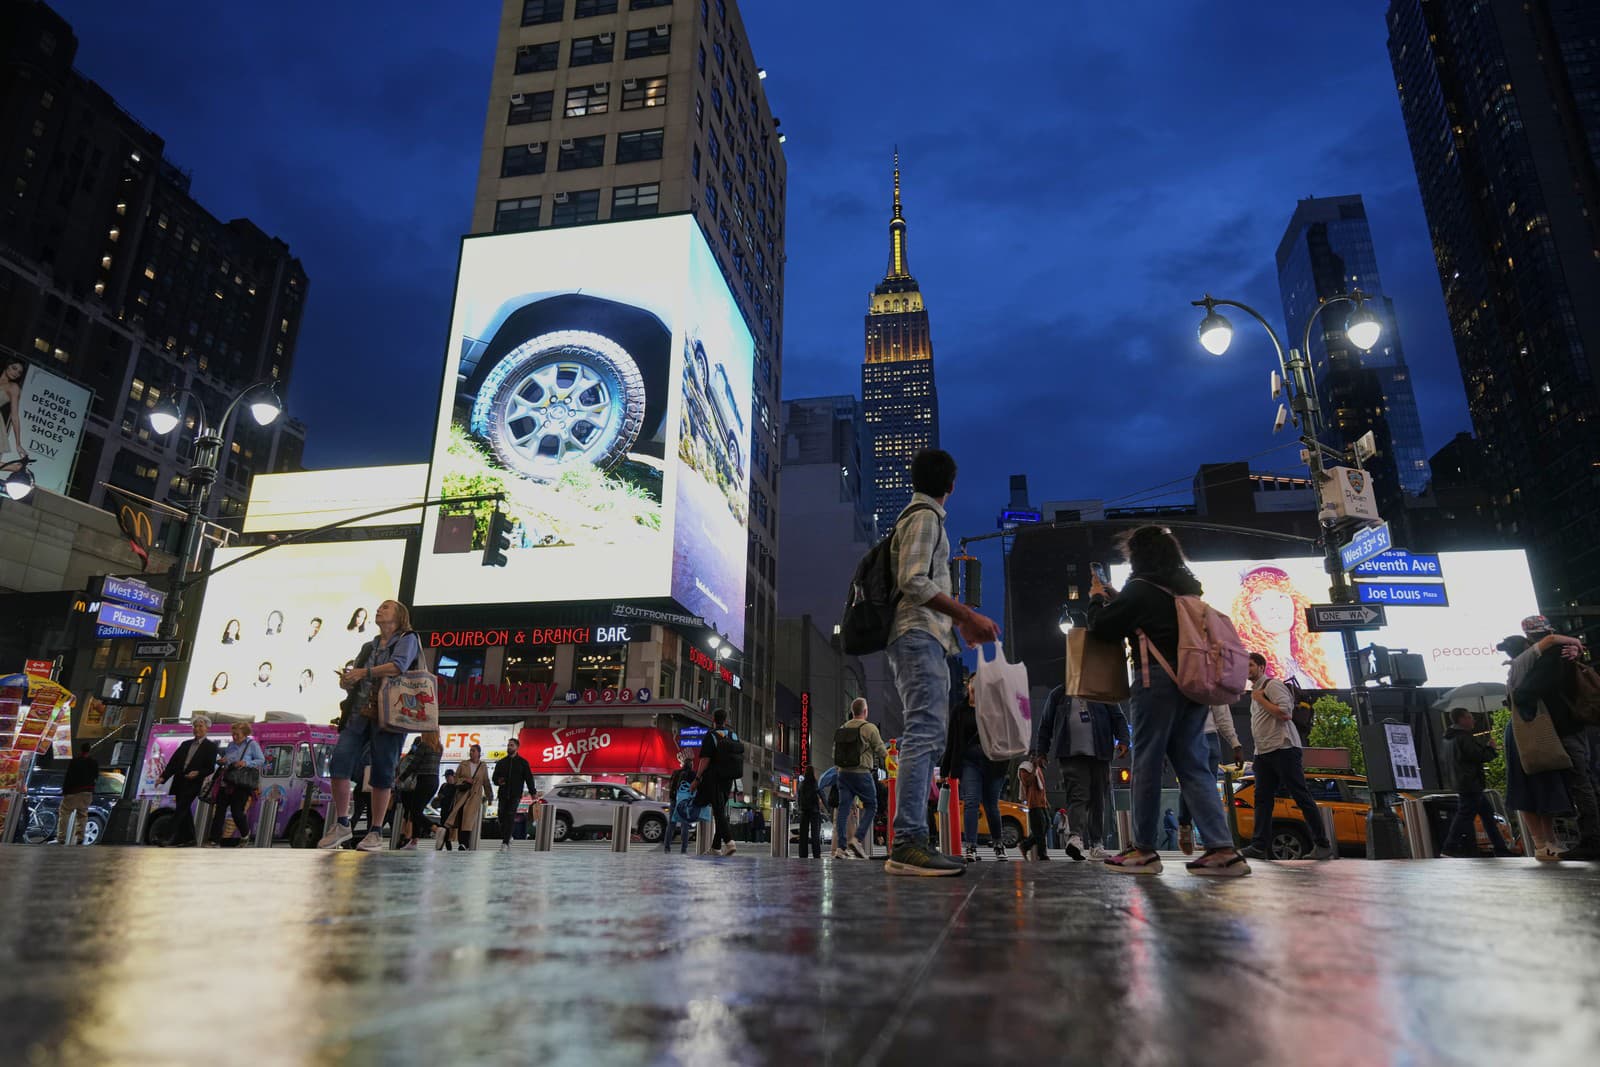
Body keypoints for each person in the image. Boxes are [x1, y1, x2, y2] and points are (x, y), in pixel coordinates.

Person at [1088, 525, 1250, 876]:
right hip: (1192, 684)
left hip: (1155, 682)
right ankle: (1222, 849)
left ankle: (1142, 849)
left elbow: (1102, 628)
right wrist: (1120, 599)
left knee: (1146, 760)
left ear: (1139, 556)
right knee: (1192, 765)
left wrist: (1097, 598)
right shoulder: (1184, 592)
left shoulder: (1140, 590)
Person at [882, 449, 1000, 877]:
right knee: (924, 730)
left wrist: (957, 626)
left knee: (927, 731)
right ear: (952, 484)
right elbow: (912, 581)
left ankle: (912, 840)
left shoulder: (919, 517)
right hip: (916, 636)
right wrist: (966, 615)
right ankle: (908, 841)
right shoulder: (926, 517)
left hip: (922, 636)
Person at [319, 599, 422, 851]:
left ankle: (375, 831)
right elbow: (357, 675)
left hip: (390, 714)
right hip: (358, 711)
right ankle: (343, 823)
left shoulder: (407, 639)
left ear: (399, 616)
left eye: (386, 607)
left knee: (382, 770)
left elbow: (398, 666)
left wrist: (363, 673)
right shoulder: (368, 646)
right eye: (379, 607)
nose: (379, 609)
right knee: (339, 761)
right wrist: (348, 681)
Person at [1501, 618, 1588, 861]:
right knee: (1536, 785)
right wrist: (1576, 642)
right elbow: (1550, 639)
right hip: (1529, 728)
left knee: (1532, 785)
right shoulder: (1528, 660)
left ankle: (1545, 843)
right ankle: (1545, 843)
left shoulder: (1517, 665)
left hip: (1525, 728)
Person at [1240, 652, 1335, 861]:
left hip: (1284, 749)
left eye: (1251, 666)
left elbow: (1285, 713)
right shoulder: (1255, 692)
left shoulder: (1272, 686)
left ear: (1262, 667)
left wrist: (1261, 700)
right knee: (1262, 799)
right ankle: (1258, 846)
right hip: (1263, 753)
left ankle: (1322, 844)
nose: (1247, 670)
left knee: (1300, 795)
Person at [1036, 686, 1129, 861]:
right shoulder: (1058, 694)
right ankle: (1076, 837)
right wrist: (1041, 751)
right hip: (1070, 755)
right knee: (1077, 795)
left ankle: (1096, 844)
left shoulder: (1102, 692)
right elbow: (1045, 725)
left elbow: (1118, 718)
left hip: (1100, 754)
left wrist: (1124, 740)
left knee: (1098, 799)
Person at [941, 672, 1010, 862]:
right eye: (974, 681)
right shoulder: (959, 710)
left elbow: (1005, 736)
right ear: (968, 685)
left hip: (993, 764)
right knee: (971, 801)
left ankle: (998, 843)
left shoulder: (994, 708)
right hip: (969, 762)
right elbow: (952, 741)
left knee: (991, 806)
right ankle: (970, 846)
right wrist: (945, 770)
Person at [1230, 565, 1335, 688]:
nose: (1273, 607)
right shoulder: (1246, 664)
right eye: (1259, 599)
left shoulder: (1309, 661)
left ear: (1296, 604)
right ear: (1246, 612)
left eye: (1281, 597)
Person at [1440, 708, 1512, 857]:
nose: (1473, 720)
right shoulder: (1463, 737)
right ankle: (1449, 847)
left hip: (1463, 782)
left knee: (1487, 816)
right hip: (1470, 783)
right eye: (1470, 717)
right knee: (1465, 815)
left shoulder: (1449, 739)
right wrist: (1491, 749)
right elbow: (1477, 755)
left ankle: (1501, 848)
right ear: (1461, 719)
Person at [1179, 703, 1243, 854]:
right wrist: (1235, 744)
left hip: (1193, 735)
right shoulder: (1214, 680)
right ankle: (1212, 840)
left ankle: (1186, 827)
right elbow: (1222, 715)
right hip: (1206, 737)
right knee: (1207, 788)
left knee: (1190, 784)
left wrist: (1235, 744)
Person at [832, 696, 888, 860]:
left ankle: (841, 849)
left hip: (842, 773)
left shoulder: (843, 727)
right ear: (865, 711)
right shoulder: (869, 728)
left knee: (843, 810)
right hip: (861, 773)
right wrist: (892, 760)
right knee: (872, 805)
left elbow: (834, 752)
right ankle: (857, 839)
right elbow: (881, 750)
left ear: (852, 712)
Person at [159, 716, 219, 847]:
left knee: (180, 810)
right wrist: (163, 777)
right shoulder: (185, 744)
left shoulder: (211, 747)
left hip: (193, 783)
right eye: (195, 726)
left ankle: (168, 837)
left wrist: (198, 773)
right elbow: (173, 763)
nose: (197, 729)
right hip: (179, 781)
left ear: (206, 728)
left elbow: (209, 768)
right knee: (184, 810)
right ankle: (189, 839)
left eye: (200, 726)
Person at [206, 722, 266, 847]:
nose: (234, 737)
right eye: (233, 734)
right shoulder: (231, 745)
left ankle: (245, 834)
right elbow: (229, 760)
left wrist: (246, 763)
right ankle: (214, 839)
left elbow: (261, 760)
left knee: (237, 812)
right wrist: (224, 761)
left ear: (244, 733)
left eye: (237, 734)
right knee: (219, 811)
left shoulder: (252, 745)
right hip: (227, 781)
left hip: (242, 783)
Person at [692, 708, 742, 856]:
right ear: (725, 720)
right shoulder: (733, 735)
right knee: (720, 809)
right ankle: (715, 847)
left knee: (718, 811)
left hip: (714, 777)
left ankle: (729, 841)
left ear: (713, 719)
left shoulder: (711, 736)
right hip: (729, 778)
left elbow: (705, 760)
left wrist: (697, 778)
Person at [394, 732, 442, 850]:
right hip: (434, 781)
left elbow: (413, 765)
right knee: (417, 810)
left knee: (415, 812)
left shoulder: (423, 745)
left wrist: (401, 778)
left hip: (423, 780)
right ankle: (414, 841)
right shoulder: (439, 747)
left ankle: (436, 829)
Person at [442, 743, 492, 850]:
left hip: (474, 796)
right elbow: (455, 779)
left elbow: (486, 781)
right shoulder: (463, 764)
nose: (471, 752)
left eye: (473, 750)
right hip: (462, 795)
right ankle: (462, 843)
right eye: (470, 750)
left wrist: (490, 796)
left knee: (468, 819)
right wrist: (464, 780)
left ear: (479, 753)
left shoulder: (483, 766)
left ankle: (464, 843)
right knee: (461, 817)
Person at [492, 738, 539, 851]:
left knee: (510, 815)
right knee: (501, 817)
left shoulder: (523, 763)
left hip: (515, 795)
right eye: (508, 745)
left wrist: (533, 792)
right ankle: (508, 836)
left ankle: (505, 842)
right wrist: (498, 781)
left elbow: (529, 778)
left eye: (511, 745)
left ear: (517, 747)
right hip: (503, 794)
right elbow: (494, 778)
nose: (509, 747)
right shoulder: (501, 762)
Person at [58, 744, 98, 846]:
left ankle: (61, 837)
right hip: (87, 792)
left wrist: (65, 791)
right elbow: (96, 776)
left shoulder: (75, 761)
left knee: (64, 813)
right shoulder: (94, 762)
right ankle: (80, 837)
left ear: (81, 750)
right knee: (82, 815)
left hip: (73, 791)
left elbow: (69, 776)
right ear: (89, 750)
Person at [1015, 759, 1051, 860]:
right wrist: (1034, 768)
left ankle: (1025, 845)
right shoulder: (1025, 768)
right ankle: (1042, 854)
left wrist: (1046, 801)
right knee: (1039, 829)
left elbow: (1042, 788)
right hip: (1034, 803)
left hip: (1042, 803)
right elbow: (1027, 782)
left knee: (1047, 824)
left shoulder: (1038, 769)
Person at [666, 753, 696, 854]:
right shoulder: (692, 774)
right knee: (685, 825)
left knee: (671, 824)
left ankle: (667, 847)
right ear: (691, 765)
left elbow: (670, 785)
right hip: (684, 802)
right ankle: (683, 849)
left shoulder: (675, 772)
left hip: (674, 800)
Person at [1, 358, 26, 472]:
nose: (16, 373)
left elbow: (14, 416)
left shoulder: (13, 388)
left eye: (19, 372)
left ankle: (14, 468)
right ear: (7, 365)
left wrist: (18, 444)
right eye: (14, 368)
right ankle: (14, 467)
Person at [796, 765, 823, 859]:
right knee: (815, 833)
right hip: (814, 811)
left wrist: (799, 808)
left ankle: (803, 854)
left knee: (803, 834)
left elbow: (798, 797)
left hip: (804, 811)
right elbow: (822, 795)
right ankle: (816, 853)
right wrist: (828, 808)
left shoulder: (801, 784)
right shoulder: (815, 783)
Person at [432, 770, 459, 850]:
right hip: (444, 810)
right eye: (446, 777)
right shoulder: (444, 786)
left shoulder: (456, 786)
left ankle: (445, 845)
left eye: (448, 776)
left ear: (453, 776)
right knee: (444, 828)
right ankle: (446, 845)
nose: (447, 778)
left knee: (447, 829)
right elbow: (439, 795)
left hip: (452, 811)